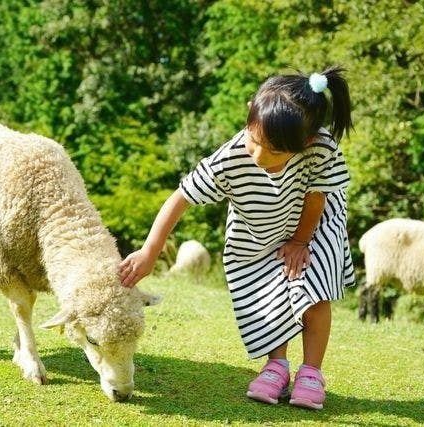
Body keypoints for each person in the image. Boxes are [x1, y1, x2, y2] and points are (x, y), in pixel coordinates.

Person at [119, 66, 355, 410]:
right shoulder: (230, 158)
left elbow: (316, 196)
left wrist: (301, 242)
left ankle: (311, 372)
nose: (258, 156)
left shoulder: (319, 147)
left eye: (274, 152)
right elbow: (181, 197)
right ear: (249, 114)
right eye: (254, 140)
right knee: (272, 292)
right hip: (259, 230)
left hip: (314, 225)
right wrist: (150, 251)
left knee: (312, 290)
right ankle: (276, 366)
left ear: (304, 143)